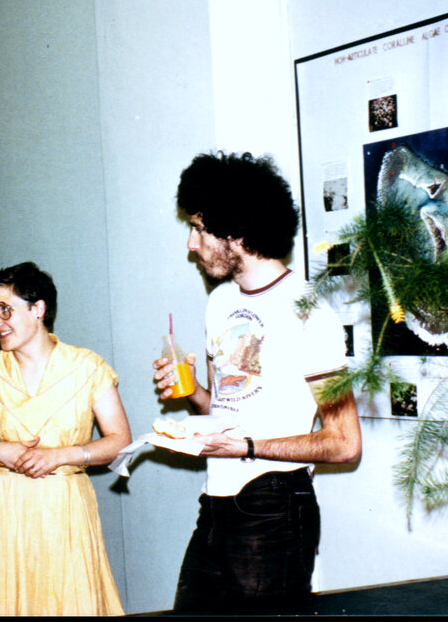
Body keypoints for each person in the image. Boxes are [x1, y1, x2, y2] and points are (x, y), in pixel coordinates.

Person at [153, 151, 362, 615]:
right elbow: (224, 413)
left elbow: (344, 443)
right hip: (216, 504)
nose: (191, 243)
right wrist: (191, 393)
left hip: (275, 506)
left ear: (236, 234)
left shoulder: (308, 311)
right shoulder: (220, 302)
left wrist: (247, 447)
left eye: (198, 227)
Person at [0, 262, 131, 616]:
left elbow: (118, 440)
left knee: (73, 601)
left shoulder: (87, 366)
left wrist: (60, 456)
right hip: (1, 509)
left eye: (5, 310)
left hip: (64, 507)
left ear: (38, 309)